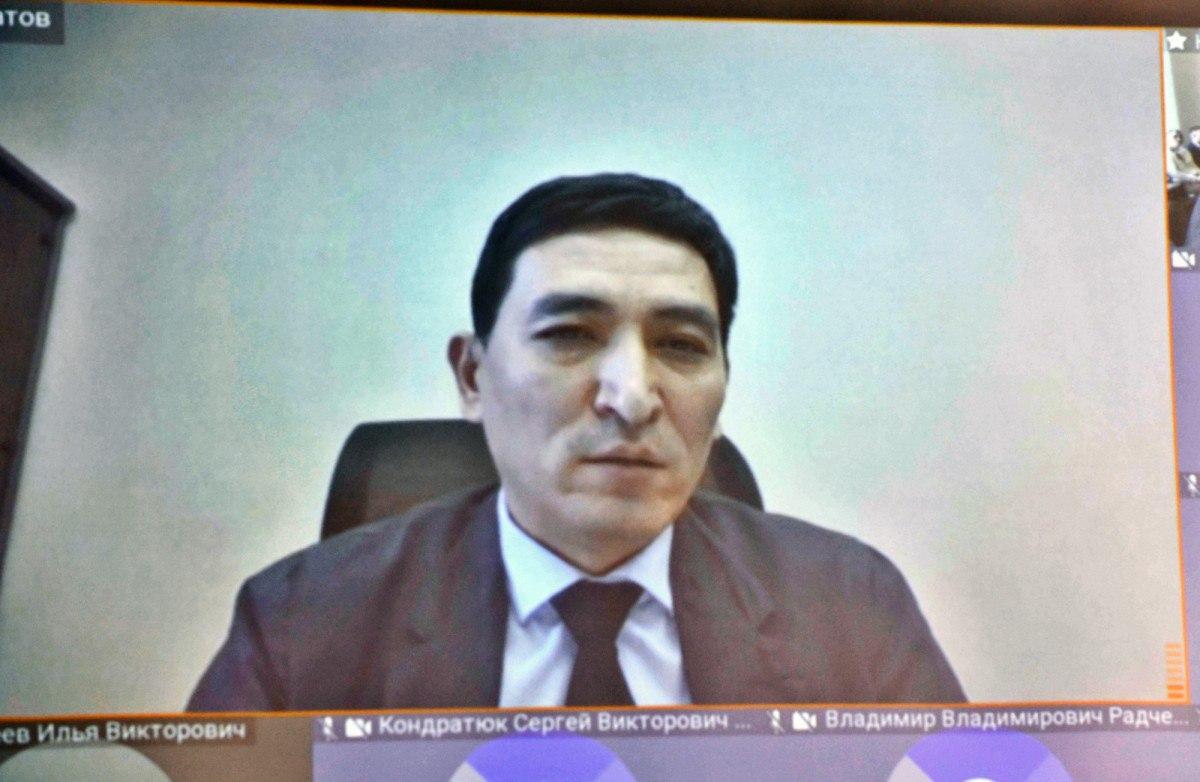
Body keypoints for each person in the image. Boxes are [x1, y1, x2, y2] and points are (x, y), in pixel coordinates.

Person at [188, 173, 965, 711]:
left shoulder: (853, 607)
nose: (632, 397)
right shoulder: (300, 622)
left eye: (681, 347)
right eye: (569, 335)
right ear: (472, 376)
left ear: (724, 388)